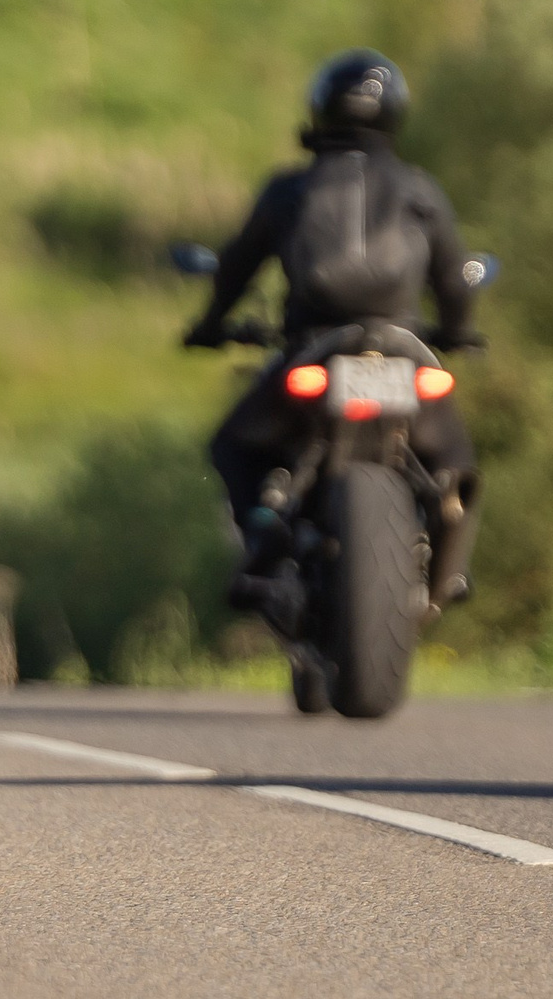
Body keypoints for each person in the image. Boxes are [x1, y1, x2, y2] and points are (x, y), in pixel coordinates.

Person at [184, 49, 482, 617]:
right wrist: (460, 332)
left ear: (320, 110)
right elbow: (455, 280)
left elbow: (236, 268)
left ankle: (263, 537)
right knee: (453, 460)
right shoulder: (421, 190)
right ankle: (450, 570)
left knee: (234, 444)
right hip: (405, 350)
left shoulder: (290, 190)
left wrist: (209, 325)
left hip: (312, 349)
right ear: (395, 113)